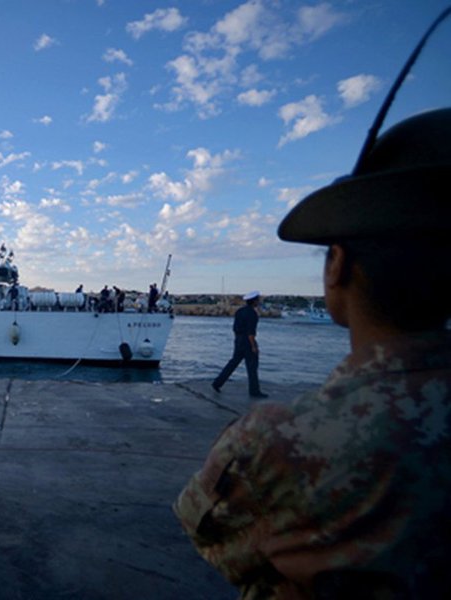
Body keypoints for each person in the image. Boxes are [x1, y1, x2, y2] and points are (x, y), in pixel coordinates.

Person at [175, 100, 451, 596]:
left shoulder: (273, 443)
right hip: (247, 344)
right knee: (243, 367)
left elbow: (208, 535)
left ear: (336, 266)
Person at [211, 291, 267, 398]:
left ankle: (217, 383)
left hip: (238, 340)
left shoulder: (240, 311)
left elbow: (235, 328)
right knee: (252, 367)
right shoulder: (252, 314)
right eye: (257, 299)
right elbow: (251, 332)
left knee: (233, 363)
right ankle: (254, 391)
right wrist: (254, 346)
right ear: (254, 301)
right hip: (247, 341)